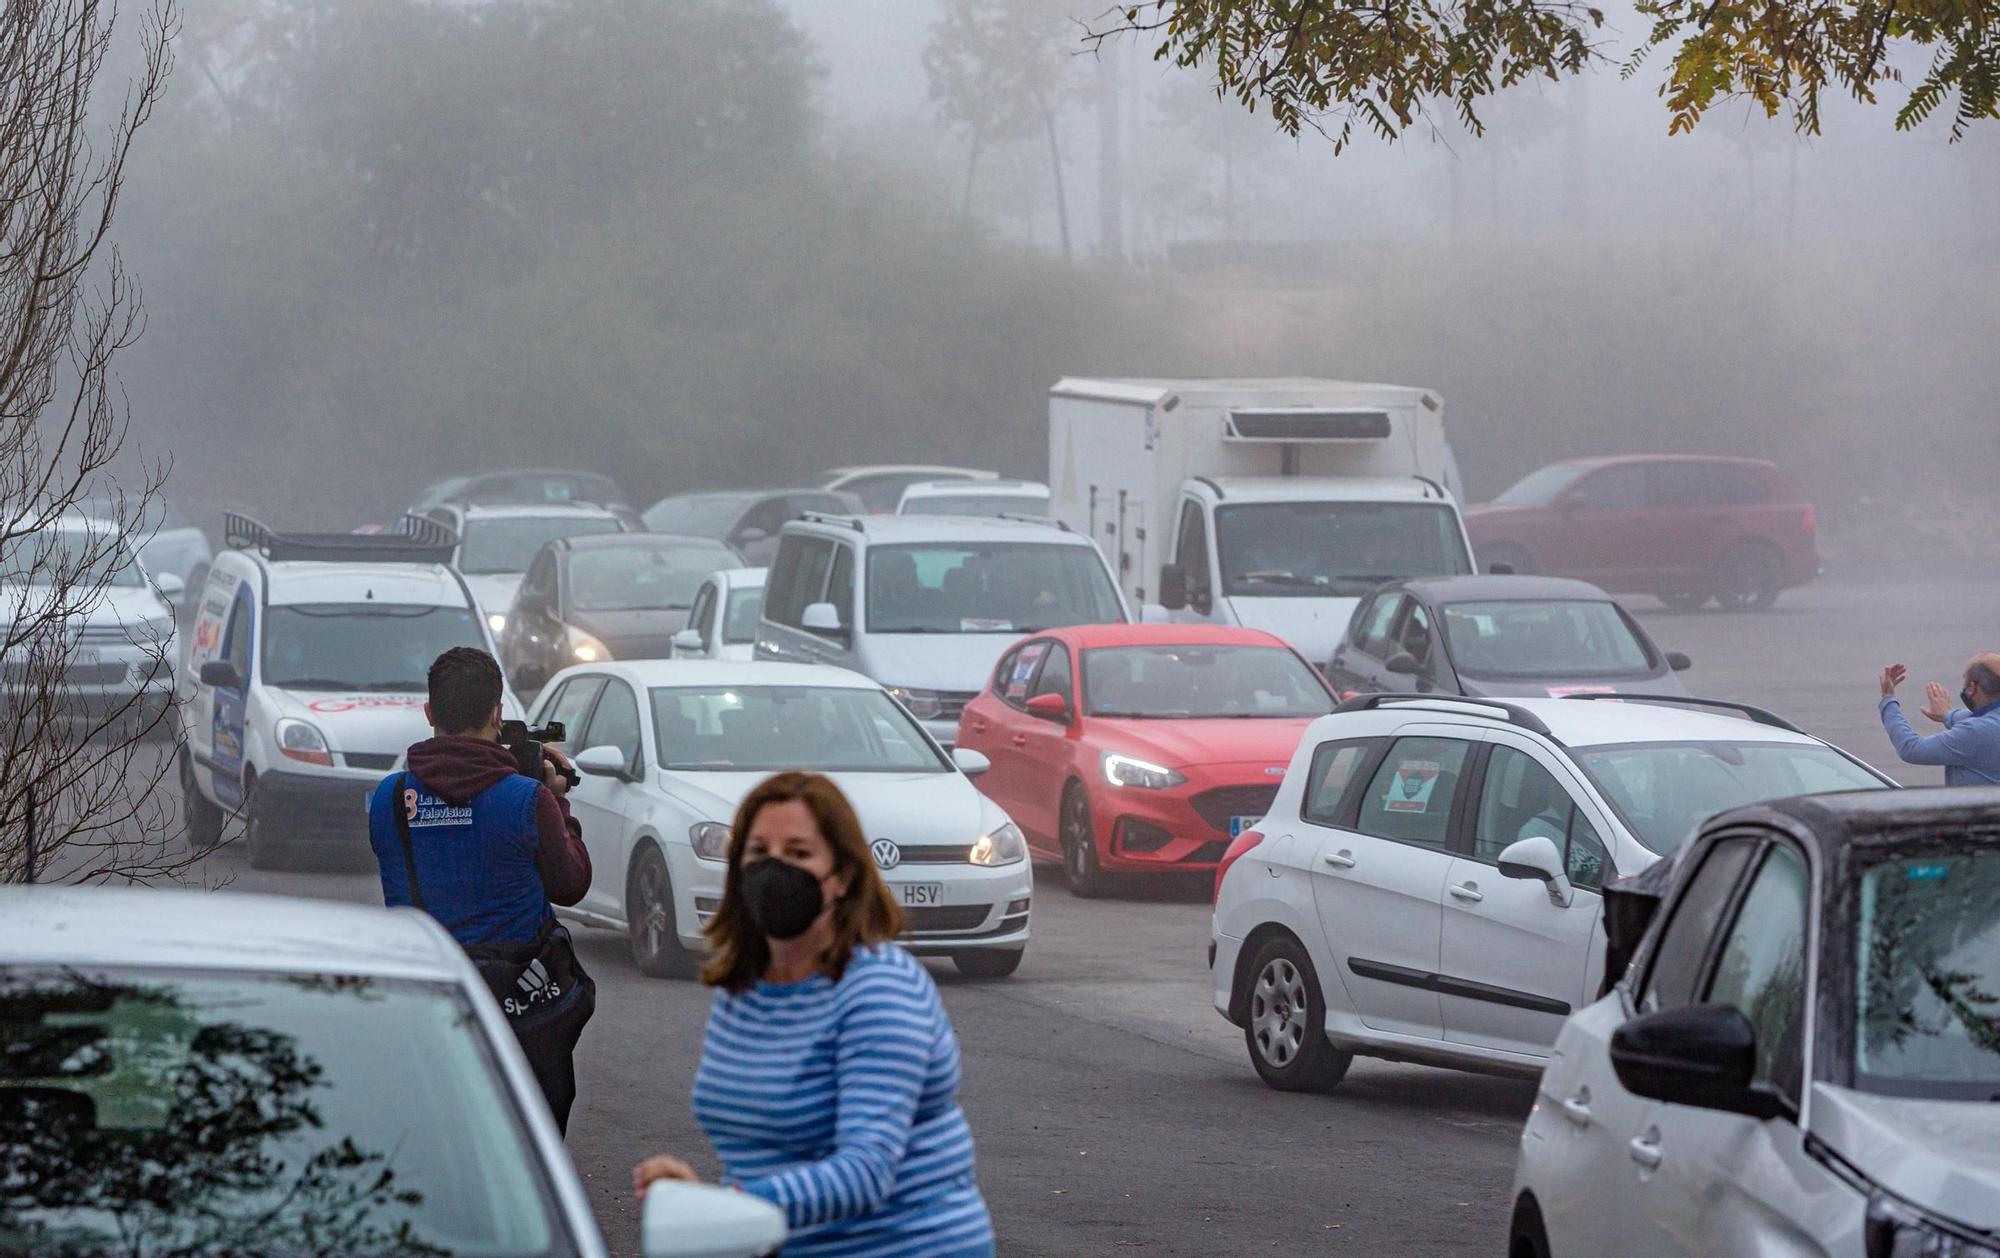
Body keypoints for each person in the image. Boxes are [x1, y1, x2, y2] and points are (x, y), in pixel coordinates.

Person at [632, 772, 995, 1258]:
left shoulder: (878, 990)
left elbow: (865, 1172)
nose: (774, 868)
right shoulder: (744, 985)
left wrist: (727, 1207)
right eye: (758, 853)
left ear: (842, 877)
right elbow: (760, 1151)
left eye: (799, 854)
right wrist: (706, 1201)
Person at [366, 646, 594, 1130]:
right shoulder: (527, 799)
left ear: (430, 713)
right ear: (497, 713)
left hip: (426, 1001)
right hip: (521, 1011)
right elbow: (572, 884)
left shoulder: (387, 800)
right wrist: (556, 802)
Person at [1878, 653, 2000, 785]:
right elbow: (1977, 719)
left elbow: (1911, 749)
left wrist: (1888, 698)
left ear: (1971, 688)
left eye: (1964, 679)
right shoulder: (1986, 724)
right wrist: (1946, 715)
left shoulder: (1976, 732)